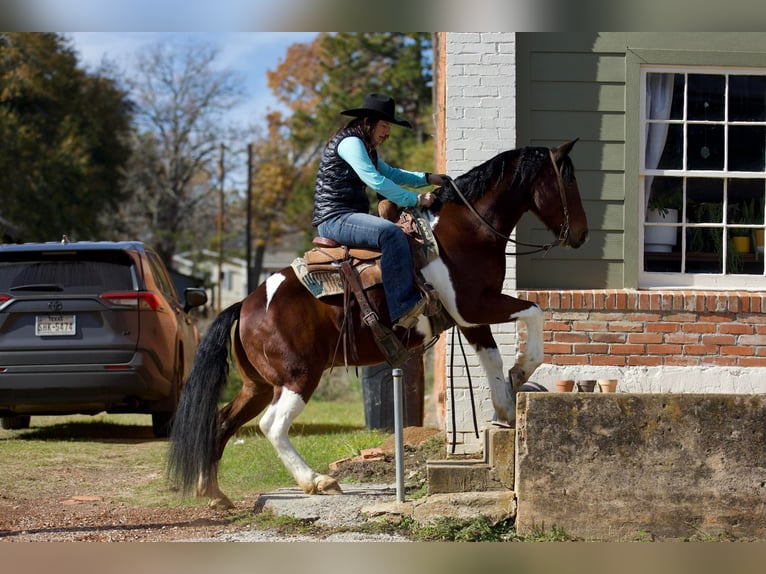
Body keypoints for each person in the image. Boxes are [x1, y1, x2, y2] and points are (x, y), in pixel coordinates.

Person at [312, 93, 449, 329]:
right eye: (385, 125)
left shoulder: (364, 147)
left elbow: (392, 174)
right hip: (335, 218)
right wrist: (415, 199)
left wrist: (429, 178)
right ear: (369, 122)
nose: (387, 132)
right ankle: (403, 307)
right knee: (391, 233)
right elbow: (375, 181)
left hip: (346, 216)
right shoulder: (351, 143)